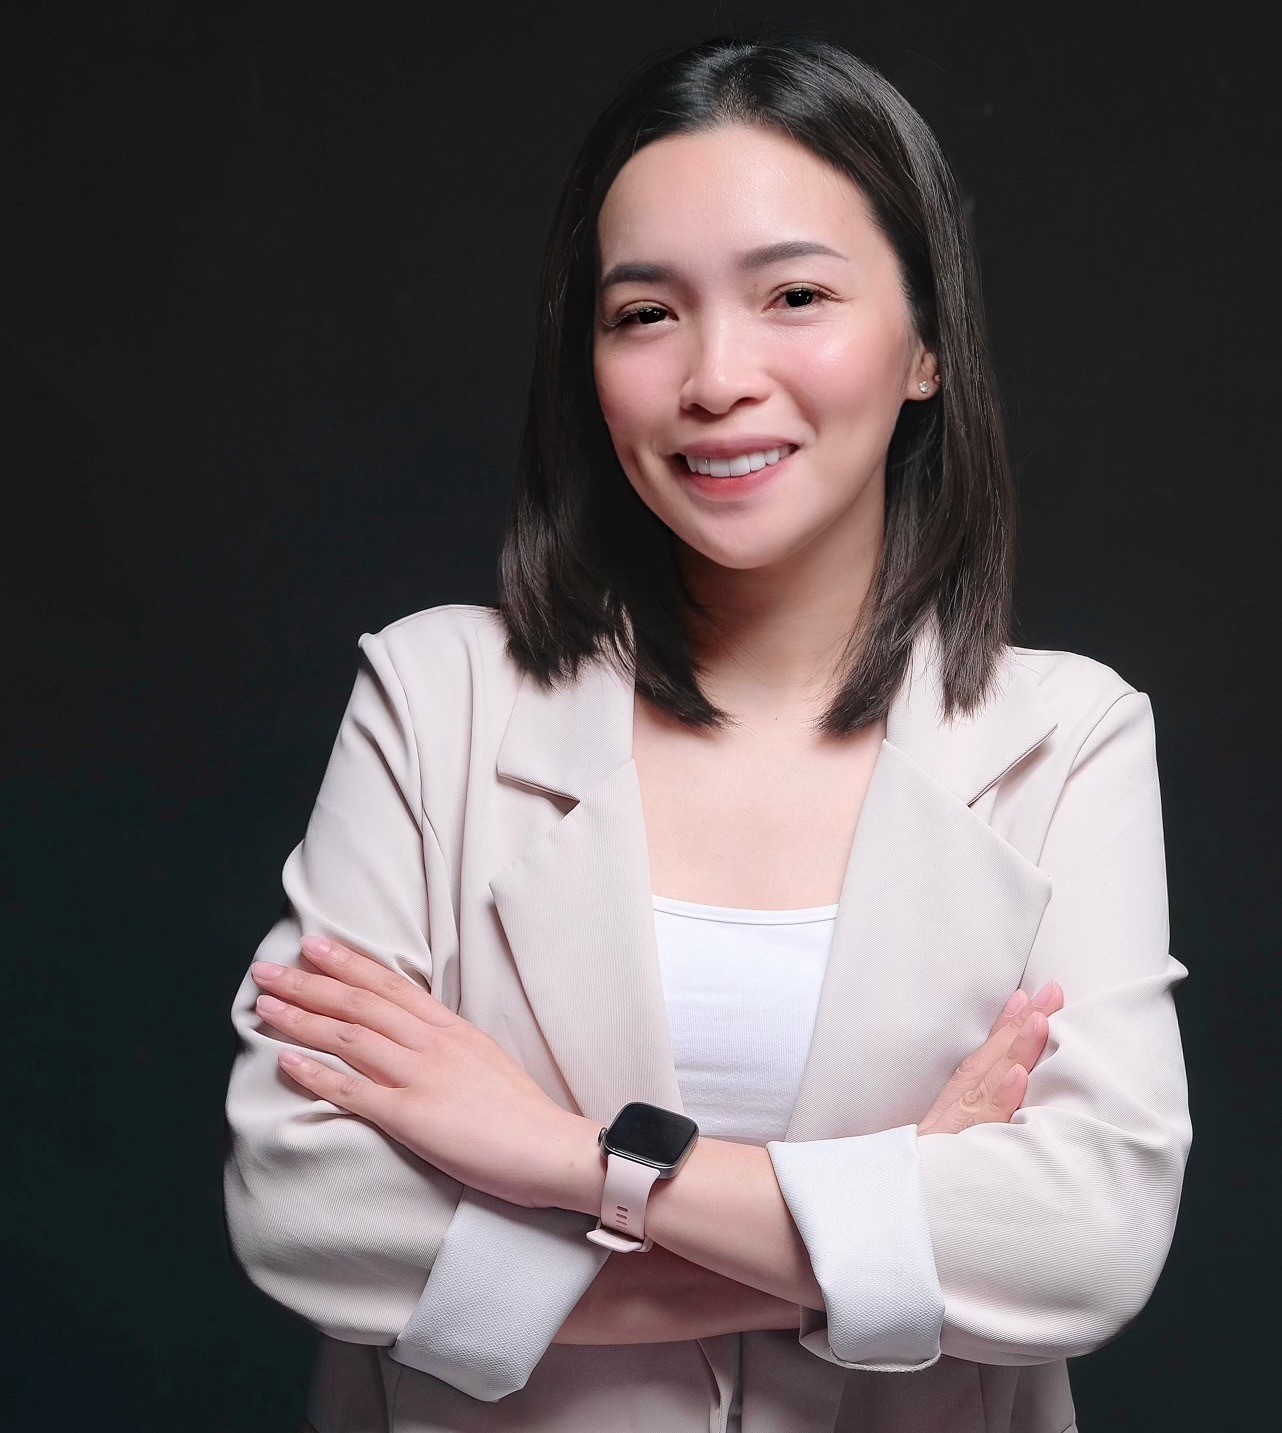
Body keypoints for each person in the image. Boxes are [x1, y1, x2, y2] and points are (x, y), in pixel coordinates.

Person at [223, 29, 1191, 1433]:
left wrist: (563, 1159)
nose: (716, 376)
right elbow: (302, 1205)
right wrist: (878, 1226)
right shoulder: (438, 698)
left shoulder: (1065, 734)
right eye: (645, 313)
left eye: (795, 294)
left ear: (926, 345)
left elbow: (1087, 1241)